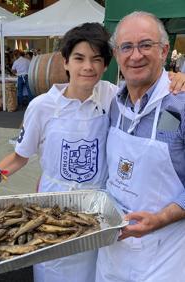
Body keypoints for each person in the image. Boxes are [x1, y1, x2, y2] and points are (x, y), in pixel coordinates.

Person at [0, 22, 185, 282]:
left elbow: (153, 86)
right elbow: (19, 157)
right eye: (79, 58)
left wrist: (174, 76)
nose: (87, 67)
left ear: (106, 65)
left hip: (95, 218)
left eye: (96, 59)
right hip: (51, 218)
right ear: (65, 62)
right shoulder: (42, 106)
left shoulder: (112, 96)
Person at [95, 11, 185, 282]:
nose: (136, 56)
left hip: (163, 253)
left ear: (164, 51)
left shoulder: (180, 106)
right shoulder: (114, 104)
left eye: (146, 45)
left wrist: (160, 219)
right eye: (127, 47)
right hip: (111, 251)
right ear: (116, 53)